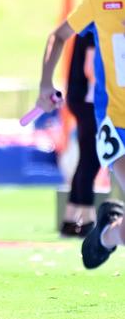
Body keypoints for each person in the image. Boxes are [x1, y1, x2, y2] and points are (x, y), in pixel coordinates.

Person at [37, 0, 125, 269]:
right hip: (115, 125)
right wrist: (45, 84)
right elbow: (58, 36)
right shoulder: (100, 1)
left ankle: (107, 234)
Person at [61, 29, 100, 237]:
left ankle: (70, 219)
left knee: (87, 158)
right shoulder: (96, 25)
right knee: (91, 160)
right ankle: (87, 219)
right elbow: (91, 68)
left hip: (83, 99)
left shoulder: (89, 24)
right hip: (89, 100)